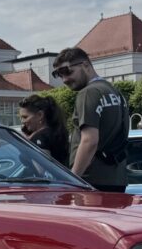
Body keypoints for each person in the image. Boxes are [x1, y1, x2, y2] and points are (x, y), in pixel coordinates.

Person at [53, 46, 129, 191]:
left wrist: (73, 180)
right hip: (117, 179)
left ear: (85, 65)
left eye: (67, 72)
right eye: (59, 75)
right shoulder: (116, 93)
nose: (64, 79)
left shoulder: (88, 93)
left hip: (91, 181)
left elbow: (89, 141)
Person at [18, 94, 68, 165]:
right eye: (21, 118)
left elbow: (41, 171)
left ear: (40, 115)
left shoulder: (41, 137)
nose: (22, 121)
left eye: (25, 117)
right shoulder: (55, 132)